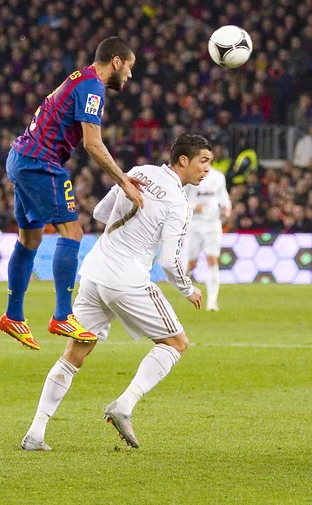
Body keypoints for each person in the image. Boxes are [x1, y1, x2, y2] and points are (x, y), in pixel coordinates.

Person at [21, 133, 213, 450]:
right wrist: (188, 288)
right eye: (203, 161)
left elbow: (99, 212)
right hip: (127, 279)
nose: (206, 169)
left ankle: (36, 433)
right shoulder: (178, 203)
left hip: (95, 272)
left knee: (74, 354)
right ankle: (124, 406)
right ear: (183, 160)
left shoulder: (139, 172)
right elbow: (169, 260)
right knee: (176, 343)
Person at [0, 37, 145, 350]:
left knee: (30, 238)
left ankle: (13, 315)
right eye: (129, 67)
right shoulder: (93, 88)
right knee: (73, 231)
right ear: (116, 61)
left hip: (21, 157)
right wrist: (124, 181)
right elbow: (93, 143)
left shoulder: (80, 77)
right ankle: (63, 315)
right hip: (40, 162)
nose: (130, 76)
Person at [183, 166, 231, 311]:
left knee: (212, 259)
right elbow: (180, 200)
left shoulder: (218, 177)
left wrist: (226, 208)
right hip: (194, 224)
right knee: (192, 263)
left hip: (212, 223)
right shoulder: (189, 176)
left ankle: (212, 302)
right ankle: (184, 281)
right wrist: (195, 207)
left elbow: (223, 197)